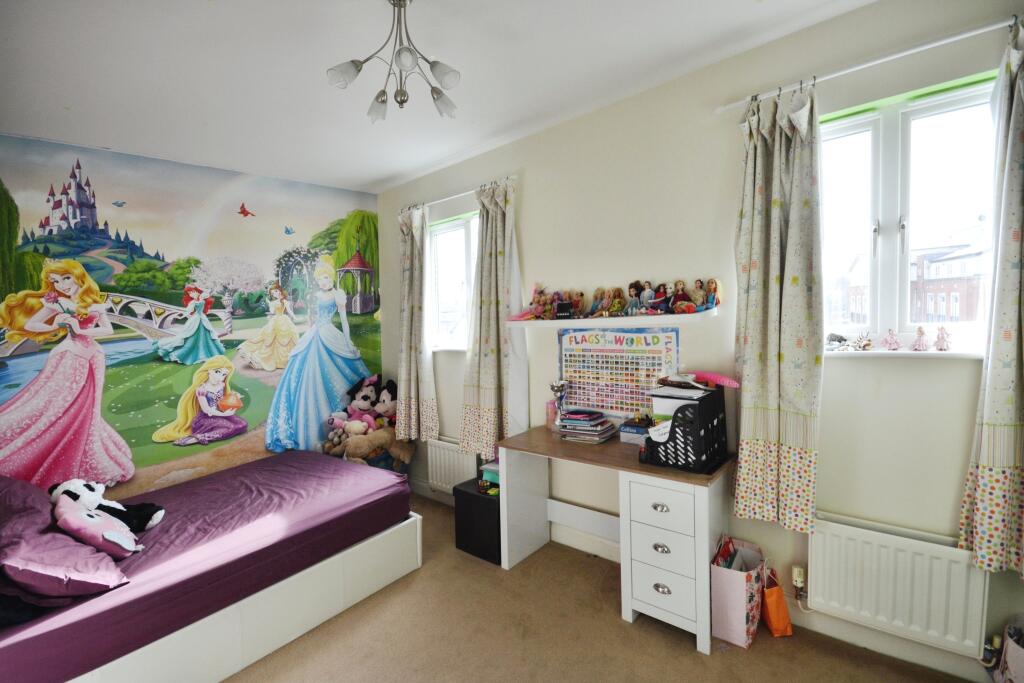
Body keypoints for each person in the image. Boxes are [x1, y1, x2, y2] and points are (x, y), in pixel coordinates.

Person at [0, 259, 134, 488]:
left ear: (77, 276)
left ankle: (86, 450)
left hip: (94, 356)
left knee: (89, 406)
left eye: (65, 278)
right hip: (70, 355)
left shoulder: (94, 303)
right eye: (55, 281)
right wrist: (56, 325)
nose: (61, 285)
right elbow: (32, 324)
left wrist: (80, 328)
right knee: (60, 403)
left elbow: (108, 329)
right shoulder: (58, 303)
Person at [265, 256, 370, 452]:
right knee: (305, 371)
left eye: (326, 278)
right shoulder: (318, 296)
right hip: (315, 333)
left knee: (337, 370)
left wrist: (348, 341)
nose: (323, 282)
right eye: (320, 279)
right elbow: (313, 318)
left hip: (329, 333)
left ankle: (346, 417)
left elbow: (344, 320)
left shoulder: (338, 295)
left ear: (332, 278)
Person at [152, 355, 248, 446]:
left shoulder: (221, 385)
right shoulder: (202, 389)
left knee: (242, 424)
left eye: (224, 374)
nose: (220, 377)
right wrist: (224, 414)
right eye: (217, 372)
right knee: (230, 427)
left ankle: (206, 434)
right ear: (209, 370)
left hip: (219, 414)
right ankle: (196, 438)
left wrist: (234, 397)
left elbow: (221, 400)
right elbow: (207, 410)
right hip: (204, 419)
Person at [154, 283, 226, 364]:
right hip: (195, 319)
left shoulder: (201, 299)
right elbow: (188, 311)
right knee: (189, 336)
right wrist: (180, 317)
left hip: (201, 319)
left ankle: (205, 353)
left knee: (205, 336)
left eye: (192, 292)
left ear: (196, 291)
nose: (191, 294)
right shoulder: (193, 302)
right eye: (189, 293)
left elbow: (204, 297)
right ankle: (187, 353)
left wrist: (199, 296)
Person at [237, 282, 299, 371]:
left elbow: (289, 311)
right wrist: (270, 304)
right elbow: (272, 311)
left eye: (276, 291)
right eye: (273, 293)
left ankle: (284, 360)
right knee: (268, 336)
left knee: (287, 337)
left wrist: (295, 317)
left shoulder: (285, 301)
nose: (275, 294)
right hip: (275, 320)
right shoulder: (274, 302)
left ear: (280, 291)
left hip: (284, 320)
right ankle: (257, 355)